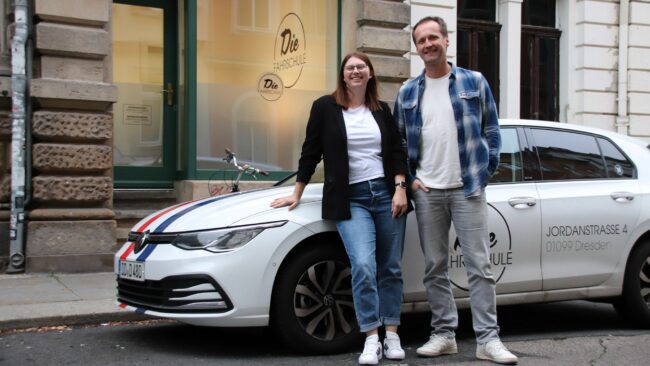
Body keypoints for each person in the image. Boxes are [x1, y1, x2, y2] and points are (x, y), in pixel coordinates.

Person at [393, 16, 518, 365]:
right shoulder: (407, 92)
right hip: (427, 191)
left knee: (479, 266)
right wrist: (412, 181)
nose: (428, 44)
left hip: (467, 189)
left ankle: (488, 340)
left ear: (447, 41)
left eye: (433, 37)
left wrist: (484, 172)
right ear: (416, 48)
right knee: (435, 266)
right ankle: (444, 335)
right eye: (421, 40)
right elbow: (399, 143)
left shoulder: (473, 81)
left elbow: (492, 131)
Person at [271, 51, 410, 365]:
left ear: (370, 73)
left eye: (361, 67)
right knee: (362, 265)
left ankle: (392, 334)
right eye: (350, 68)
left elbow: (396, 149)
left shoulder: (381, 109)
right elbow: (311, 151)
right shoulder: (325, 107)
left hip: (387, 195)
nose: (356, 71)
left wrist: (400, 187)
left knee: (390, 267)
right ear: (343, 74)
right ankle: (371, 337)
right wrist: (296, 192)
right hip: (352, 199)